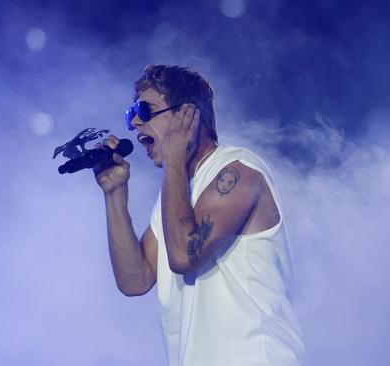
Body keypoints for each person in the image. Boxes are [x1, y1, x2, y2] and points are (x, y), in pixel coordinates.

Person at [94, 65, 305, 365]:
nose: (135, 124)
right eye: (131, 115)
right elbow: (135, 280)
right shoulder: (174, 195)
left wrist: (174, 160)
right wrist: (114, 194)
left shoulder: (239, 171)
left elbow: (183, 256)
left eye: (144, 110)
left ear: (187, 115)